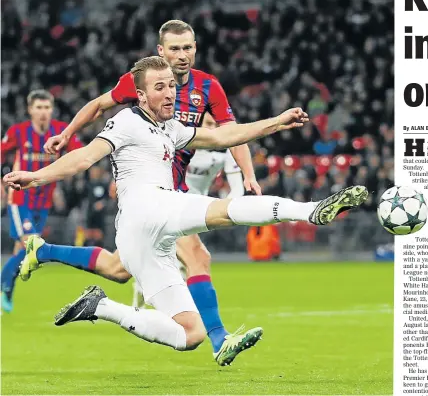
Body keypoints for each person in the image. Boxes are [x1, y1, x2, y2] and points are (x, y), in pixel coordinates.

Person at [4, 57, 368, 363]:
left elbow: (225, 136)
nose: (169, 93)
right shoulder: (128, 121)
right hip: (145, 210)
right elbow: (84, 158)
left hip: (148, 240)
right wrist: (36, 177)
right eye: (159, 87)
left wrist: (277, 122)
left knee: (189, 335)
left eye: (171, 86)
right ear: (142, 94)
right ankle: (311, 210)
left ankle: (100, 308)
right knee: (224, 211)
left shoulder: (172, 128)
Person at [34, 19, 262, 364]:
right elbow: (98, 105)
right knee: (198, 257)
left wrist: (247, 172)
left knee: (118, 268)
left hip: (173, 186)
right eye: (175, 49)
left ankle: (44, 250)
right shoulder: (141, 82)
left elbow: (229, 133)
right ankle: (219, 340)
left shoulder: (208, 87)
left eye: (188, 48)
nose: (182, 55)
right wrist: (66, 134)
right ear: (161, 51)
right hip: (146, 192)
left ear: (196, 48)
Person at [132, 113, 244, 307]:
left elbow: (237, 190)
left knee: (173, 263)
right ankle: (195, 321)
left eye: (216, 124)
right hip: (169, 207)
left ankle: (141, 298)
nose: (213, 128)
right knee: (195, 259)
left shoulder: (225, 150)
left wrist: (225, 211)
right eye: (208, 123)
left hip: (196, 212)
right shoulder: (178, 141)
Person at [0, 90, 83, 313]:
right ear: (30, 110)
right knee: (31, 242)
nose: (43, 112)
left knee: (23, 250)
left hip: (43, 201)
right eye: (38, 108)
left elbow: (80, 153)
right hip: (20, 198)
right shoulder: (18, 132)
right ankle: (4, 283)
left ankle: (7, 286)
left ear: (52, 109)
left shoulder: (59, 132)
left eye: (47, 107)